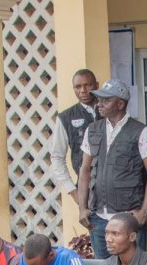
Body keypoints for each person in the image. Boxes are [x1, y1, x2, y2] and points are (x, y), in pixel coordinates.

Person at [77, 79, 147, 257]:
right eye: (99, 99)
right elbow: (85, 170)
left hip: (128, 217)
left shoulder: (141, 131)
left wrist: (144, 212)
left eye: (106, 100)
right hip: (98, 217)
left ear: (120, 104)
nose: (100, 104)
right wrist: (82, 208)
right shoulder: (92, 129)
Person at [50, 69, 101, 203]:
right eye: (78, 87)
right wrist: (73, 191)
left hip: (115, 187)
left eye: (88, 85)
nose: (83, 90)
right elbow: (57, 157)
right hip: (86, 189)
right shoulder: (66, 117)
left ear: (96, 85)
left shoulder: (110, 111)